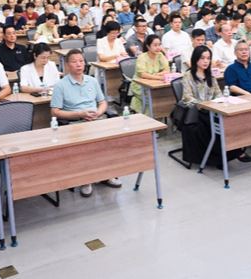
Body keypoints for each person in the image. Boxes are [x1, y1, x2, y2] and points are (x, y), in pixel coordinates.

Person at [50, 49, 119, 197]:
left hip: (96, 119)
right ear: (67, 65)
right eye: (74, 62)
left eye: (81, 61)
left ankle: (107, 174)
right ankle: (86, 180)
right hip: (75, 123)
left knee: (111, 141)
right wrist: (80, 114)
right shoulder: (60, 86)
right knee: (86, 146)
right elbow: (55, 112)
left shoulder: (92, 81)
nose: (79, 64)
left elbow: (102, 103)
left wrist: (98, 113)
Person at [130, 35, 171, 114]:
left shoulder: (160, 55)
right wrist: (159, 77)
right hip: (140, 85)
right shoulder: (142, 57)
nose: (158, 48)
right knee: (156, 96)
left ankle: (161, 114)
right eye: (155, 45)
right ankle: (152, 115)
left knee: (167, 94)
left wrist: (156, 74)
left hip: (155, 83)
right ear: (148, 46)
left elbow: (167, 70)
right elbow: (143, 75)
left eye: (159, 45)